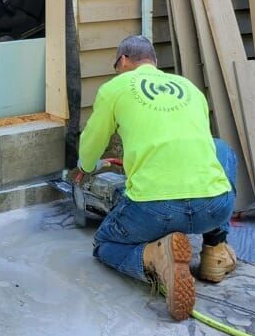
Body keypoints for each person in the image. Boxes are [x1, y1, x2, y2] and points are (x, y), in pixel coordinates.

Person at [74, 35, 238, 321]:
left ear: (123, 61)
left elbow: (92, 144)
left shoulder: (115, 88)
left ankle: (154, 257)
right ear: (154, 62)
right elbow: (196, 147)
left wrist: (84, 168)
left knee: (105, 246)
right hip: (213, 208)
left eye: (117, 65)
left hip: (154, 211)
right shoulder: (190, 88)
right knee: (221, 149)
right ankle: (215, 250)